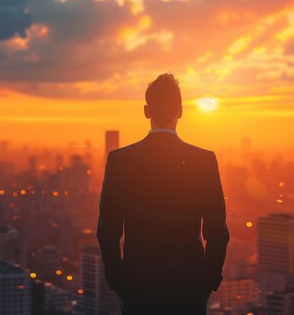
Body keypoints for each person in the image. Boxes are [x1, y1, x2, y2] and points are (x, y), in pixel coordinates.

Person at [97, 73, 230, 315]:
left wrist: (118, 281)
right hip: (188, 287)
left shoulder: (120, 161)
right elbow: (217, 231)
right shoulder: (203, 161)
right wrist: (207, 282)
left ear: (146, 111)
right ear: (180, 111)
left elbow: (108, 230)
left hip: (137, 286)